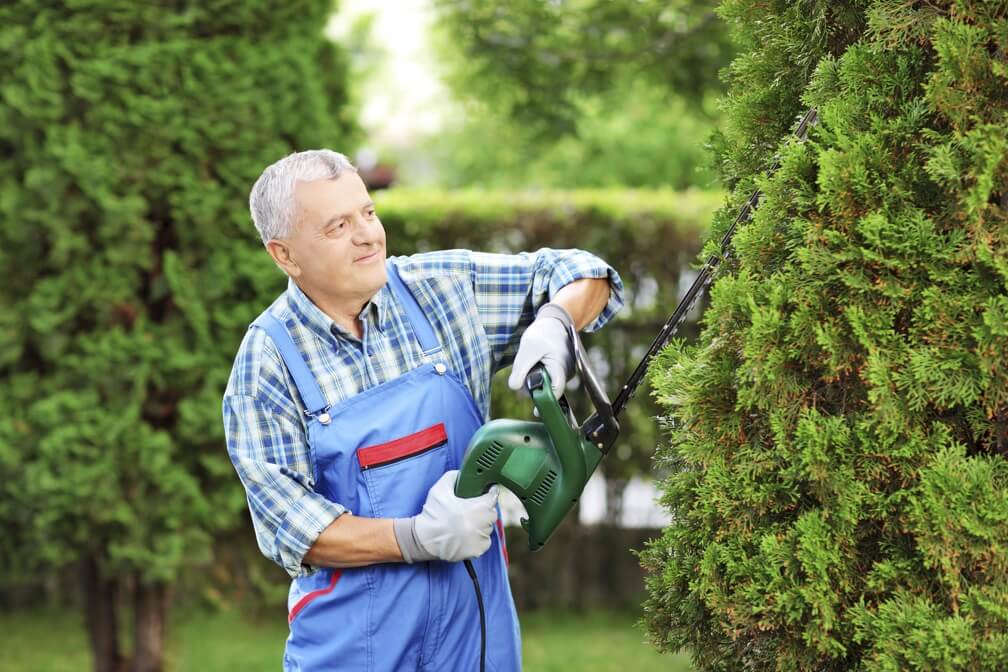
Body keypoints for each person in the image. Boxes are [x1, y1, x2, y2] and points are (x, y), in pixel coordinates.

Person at [222, 150, 624, 671]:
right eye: (337, 226)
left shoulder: (443, 291)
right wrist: (415, 537)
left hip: (476, 642)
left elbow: (585, 272)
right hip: (353, 652)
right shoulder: (266, 364)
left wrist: (554, 320)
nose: (367, 234)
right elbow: (291, 525)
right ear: (285, 255)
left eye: (367, 213)